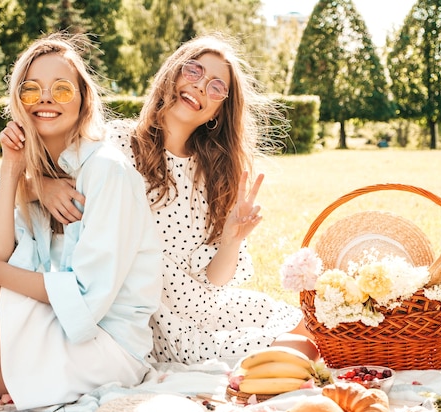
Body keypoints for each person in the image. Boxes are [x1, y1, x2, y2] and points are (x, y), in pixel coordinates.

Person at [35, 34, 318, 368]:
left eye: (216, 87)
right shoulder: (117, 143)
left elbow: (215, 279)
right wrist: (42, 186)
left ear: (217, 112)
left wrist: (231, 239)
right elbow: (34, 173)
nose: (200, 86)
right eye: (194, 71)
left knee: (315, 329)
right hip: (163, 320)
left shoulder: (210, 173)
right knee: (302, 350)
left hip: (211, 305)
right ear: (172, 75)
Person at [0, 33, 162, 410]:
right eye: (31, 90)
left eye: (62, 89)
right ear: (18, 101)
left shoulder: (108, 172)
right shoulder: (39, 173)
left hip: (101, 349)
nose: (45, 99)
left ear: (84, 100)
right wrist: (14, 171)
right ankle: (38, 381)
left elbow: (83, 299)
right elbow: (1, 253)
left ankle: (47, 380)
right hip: (54, 333)